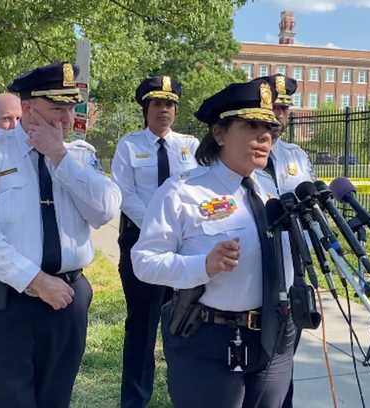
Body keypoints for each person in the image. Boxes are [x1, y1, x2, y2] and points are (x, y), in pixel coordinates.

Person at [0, 62, 121, 408]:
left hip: (65, 303)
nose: (67, 118)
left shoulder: (78, 157)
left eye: (71, 108)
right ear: (27, 109)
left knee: (55, 400)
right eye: (57, 108)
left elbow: (104, 210)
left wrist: (59, 156)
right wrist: (34, 280)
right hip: (3, 305)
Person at [131, 79, 297, 408]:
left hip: (273, 338)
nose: (265, 136)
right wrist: (202, 266)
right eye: (251, 125)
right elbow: (144, 261)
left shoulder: (270, 190)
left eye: (270, 127)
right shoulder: (184, 191)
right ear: (219, 134)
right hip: (209, 340)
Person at [111, 75, 199, 408]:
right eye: (158, 104)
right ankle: (135, 400)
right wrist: (159, 224)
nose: (165, 110)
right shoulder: (129, 145)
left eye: (170, 104)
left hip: (184, 247)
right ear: (146, 108)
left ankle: (187, 395)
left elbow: (198, 191)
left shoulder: (190, 146)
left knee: (186, 325)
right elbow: (124, 193)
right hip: (141, 244)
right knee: (142, 326)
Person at [253, 73, 316, 408]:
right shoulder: (243, 155)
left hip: (294, 268)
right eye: (273, 107)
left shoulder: (297, 156)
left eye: (284, 109)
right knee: (261, 358)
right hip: (258, 268)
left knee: (286, 357)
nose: (278, 115)